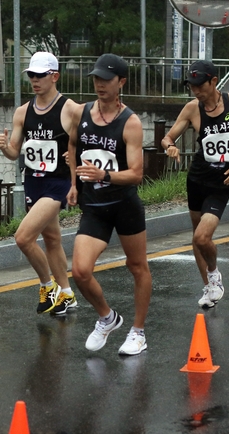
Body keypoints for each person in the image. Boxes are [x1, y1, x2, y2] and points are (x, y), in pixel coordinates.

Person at [67, 54, 152, 356]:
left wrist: (104, 174)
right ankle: (107, 317)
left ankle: (138, 333)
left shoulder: (130, 123)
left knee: (137, 266)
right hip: (94, 207)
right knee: (79, 271)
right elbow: (73, 145)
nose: (100, 84)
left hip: (124, 206)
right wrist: (74, 184)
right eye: (96, 79)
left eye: (107, 79)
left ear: (121, 83)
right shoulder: (83, 113)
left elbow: (137, 174)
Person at [162, 60, 229, 308]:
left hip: (223, 180)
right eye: (192, 86)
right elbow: (167, 137)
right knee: (198, 239)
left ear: (214, 81)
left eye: (200, 85)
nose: (196, 90)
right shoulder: (192, 109)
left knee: (202, 236)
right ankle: (209, 286)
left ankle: (214, 274)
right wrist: (171, 147)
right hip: (197, 179)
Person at [0, 51, 78, 315]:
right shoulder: (23, 112)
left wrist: (75, 154)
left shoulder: (70, 109)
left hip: (58, 183)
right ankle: (66, 294)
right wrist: (4, 148)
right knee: (52, 238)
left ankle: (47, 285)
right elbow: (14, 153)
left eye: (40, 75)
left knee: (23, 238)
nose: (35, 80)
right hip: (33, 181)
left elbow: (89, 138)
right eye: (31, 75)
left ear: (55, 76)